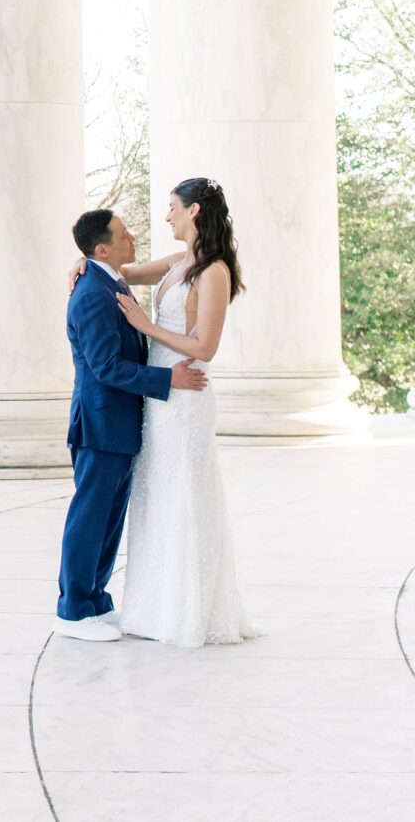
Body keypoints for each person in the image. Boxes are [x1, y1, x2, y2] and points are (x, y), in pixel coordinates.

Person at [95, 177, 259, 647]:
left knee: (183, 494)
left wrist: (145, 326)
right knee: (157, 494)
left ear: (194, 211)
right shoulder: (178, 262)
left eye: (172, 207)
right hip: (160, 396)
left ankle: (186, 613)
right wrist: (81, 262)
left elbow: (204, 345)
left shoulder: (214, 271)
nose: (166, 216)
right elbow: (123, 271)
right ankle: (153, 607)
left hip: (185, 396)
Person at [55, 207, 204, 641]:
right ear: (102, 248)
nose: (132, 237)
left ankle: (96, 601)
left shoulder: (108, 280)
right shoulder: (91, 293)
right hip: (100, 422)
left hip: (118, 422)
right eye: (123, 234)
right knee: (90, 516)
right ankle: (72, 611)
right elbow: (105, 366)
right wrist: (166, 378)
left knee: (109, 517)